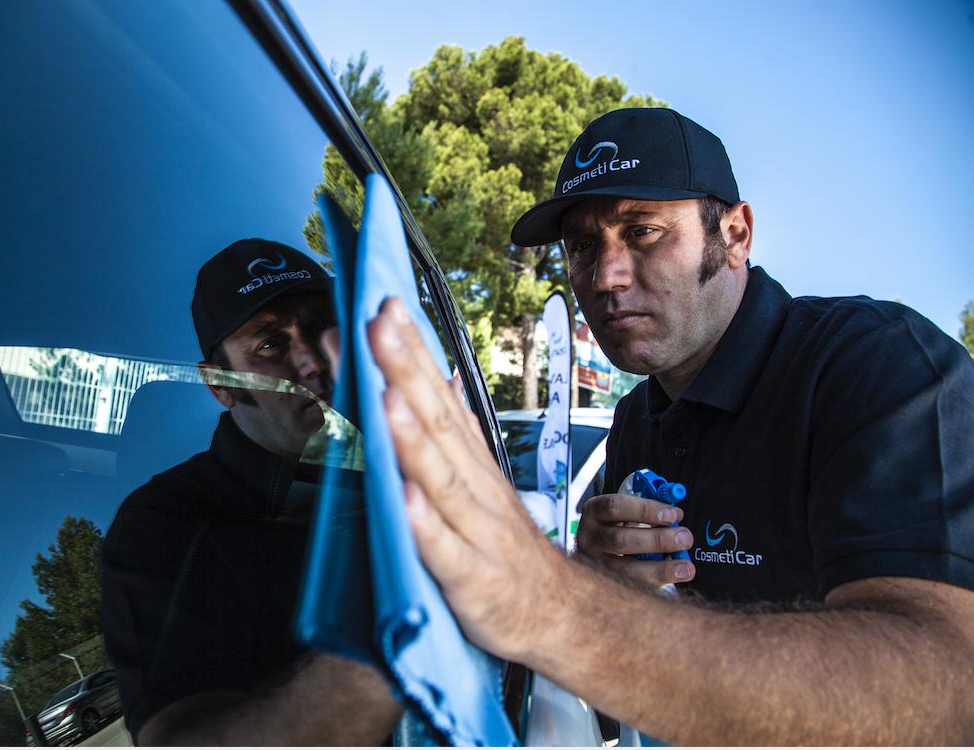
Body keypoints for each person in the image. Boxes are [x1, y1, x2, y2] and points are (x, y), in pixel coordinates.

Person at [366, 108, 974, 744]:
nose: (606, 276)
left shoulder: (879, 365)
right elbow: (636, 694)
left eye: (643, 231)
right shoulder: (636, 416)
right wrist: (609, 586)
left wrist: (561, 606)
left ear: (735, 235)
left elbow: (943, 688)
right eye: (582, 246)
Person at [101, 238, 400, 745]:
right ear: (221, 385)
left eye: (321, 326)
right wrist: (406, 628)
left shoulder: (396, 457)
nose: (312, 362)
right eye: (270, 345)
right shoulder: (164, 527)